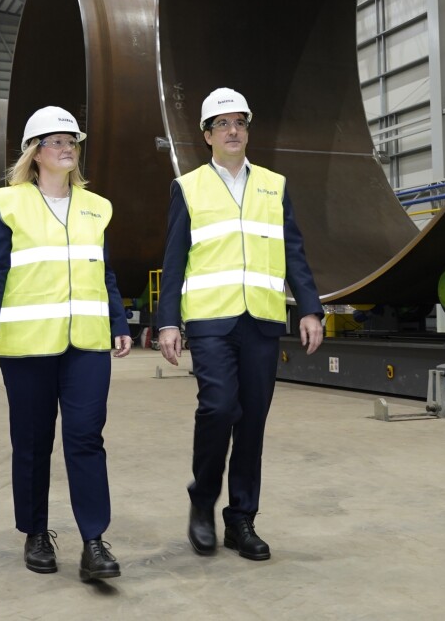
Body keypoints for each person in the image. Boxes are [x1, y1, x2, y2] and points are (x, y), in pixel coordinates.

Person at [157, 87, 324, 562]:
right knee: (218, 407)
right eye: (223, 124)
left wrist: (309, 308)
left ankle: (241, 520)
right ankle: (202, 501)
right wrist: (168, 321)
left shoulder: (275, 184)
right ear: (207, 135)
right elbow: (174, 262)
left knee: (252, 423)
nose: (234, 131)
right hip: (211, 321)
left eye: (241, 123)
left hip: (263, 320)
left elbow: (294, 251)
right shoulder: (188, 188)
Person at [0, 105, 133, 582]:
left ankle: (93, 541)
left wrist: (119, 323)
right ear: (36, 153)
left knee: (86, 437)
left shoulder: (95, 206)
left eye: (72, 142)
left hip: (86, 343)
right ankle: (36, 533)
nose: (68, 149)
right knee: (32, 441)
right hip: (27, 347)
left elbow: (102, 271)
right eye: (58, 142)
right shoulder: (9, 203)